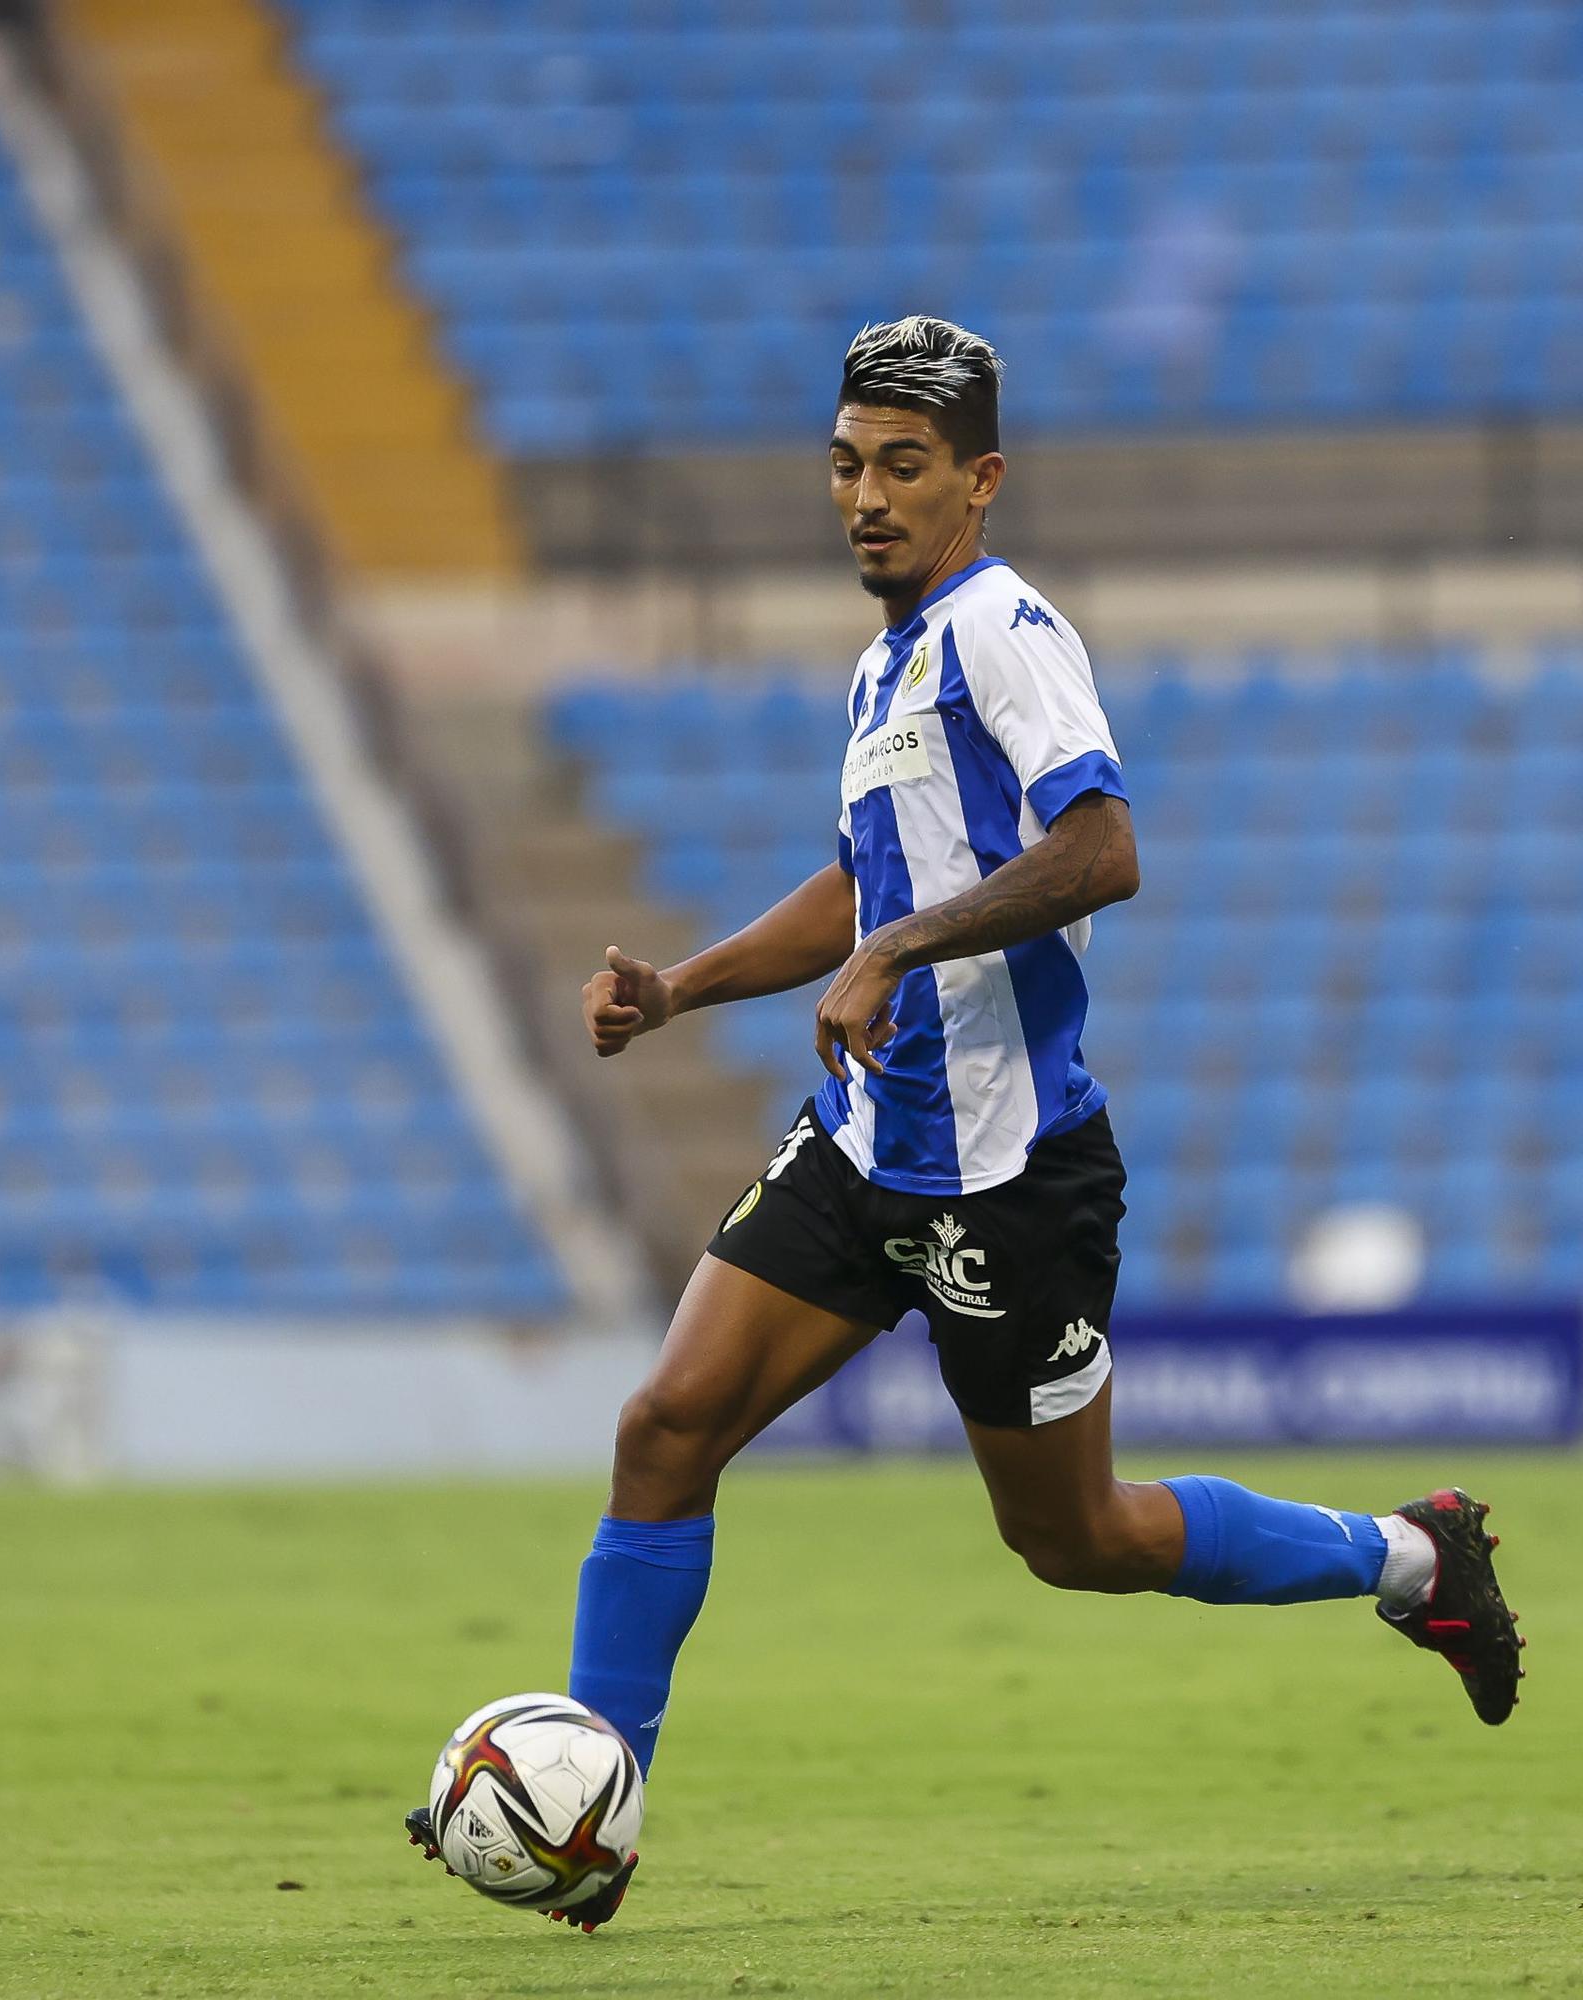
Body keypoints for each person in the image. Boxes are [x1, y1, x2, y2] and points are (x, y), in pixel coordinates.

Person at [405, 315, 1524, 1929]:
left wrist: (899, 950)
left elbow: (1101, 851)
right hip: (869, 1144)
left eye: (904, 468)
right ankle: (600, 1817)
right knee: (665, 1428)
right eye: (847, 466)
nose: (866, 497)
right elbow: (870, 882)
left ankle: (1413, 1560)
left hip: (1007, 1181)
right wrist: (682, 987)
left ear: (979, 482)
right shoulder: (885, 661)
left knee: (1073, 1539)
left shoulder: (1003, 630)